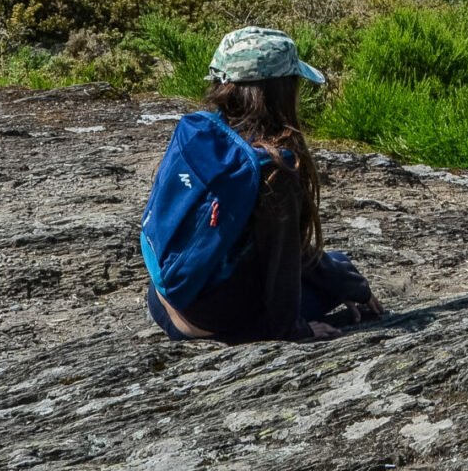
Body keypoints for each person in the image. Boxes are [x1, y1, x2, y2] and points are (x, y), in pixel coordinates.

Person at [145, 27, 382, 343]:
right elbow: (285, 263)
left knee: (332, 270)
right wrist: (297, 328)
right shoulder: (273, 167)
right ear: (281, 90)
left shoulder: (204, 131)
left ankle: (339, 277)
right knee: (327, 282)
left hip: (163, 299)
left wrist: (346, 282)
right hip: (208, 322)